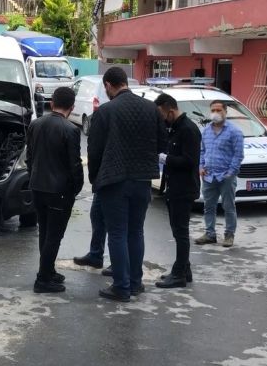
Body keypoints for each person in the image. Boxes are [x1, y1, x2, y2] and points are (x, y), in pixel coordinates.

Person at [87, 67, 167, 302]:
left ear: (108, 85)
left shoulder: (106, 111)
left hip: (114, 180)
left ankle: (121, 286)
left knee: (117, 233)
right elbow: (162, 144)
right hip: (142, 180)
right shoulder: (151, 109)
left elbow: (94, 150)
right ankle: (135, 282)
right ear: (125, 82)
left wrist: (95, 179)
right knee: (136, 231)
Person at [26, 87, 84, 294]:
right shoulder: (71, 130)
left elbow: (30, 156)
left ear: (52, 103)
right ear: (72, 107)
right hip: (59, 191)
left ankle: (47, 270)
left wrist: (33, 177)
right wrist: (76, 188)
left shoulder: (35, 124)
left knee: (45, 231)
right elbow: (74, 164)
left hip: (37, 186)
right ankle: (43, 278)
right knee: (54, 235)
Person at [154, 94, 201, 289]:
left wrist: (164, 158)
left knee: (181, 232)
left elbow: (190, 161)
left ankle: (179, 274)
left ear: (170, 110)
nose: (162, 119)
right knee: (177, 230)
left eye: (162, 115)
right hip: (174, 187)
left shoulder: (188, 129)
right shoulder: (175, 128)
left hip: (184, 188)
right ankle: (184, 269)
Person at [195, 100, 244, 247]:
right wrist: (201, 166)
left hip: (226, 177)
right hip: (209, 176)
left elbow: (238, 155)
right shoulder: (205, 131)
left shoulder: (234, 132)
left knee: (228, 207)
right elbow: (202, 151)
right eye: (213, 110)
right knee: (209, 206)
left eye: (218, 110)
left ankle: (229, 235)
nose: (215, 113)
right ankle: (210, 234)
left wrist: (231, 172)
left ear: (225, 112)